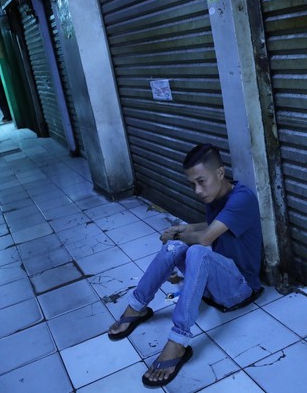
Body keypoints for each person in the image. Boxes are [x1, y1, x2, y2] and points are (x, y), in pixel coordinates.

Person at [107, 143, 263, 387]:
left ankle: (178, 342)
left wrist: (179, 233)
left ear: (220, 172)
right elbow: (214, 225)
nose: (197, 191)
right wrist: (181, 230)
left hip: (240, 288)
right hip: (216, 285)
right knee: (175, 247)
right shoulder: (215, 195)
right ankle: (136, 307)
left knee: (197, 250)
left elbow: (206, 237)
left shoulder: (243, 198)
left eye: (201, 182)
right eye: (192, 185)